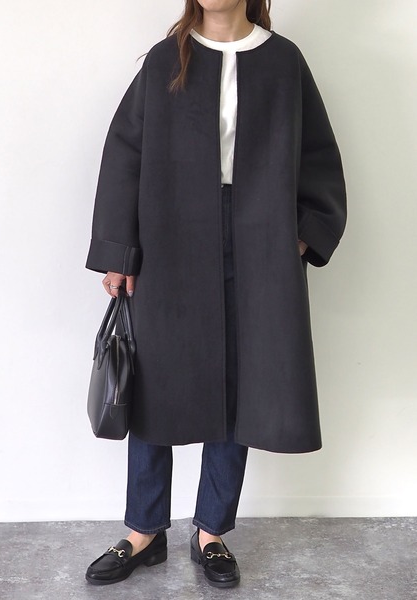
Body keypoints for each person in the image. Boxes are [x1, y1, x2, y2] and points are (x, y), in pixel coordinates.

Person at [84, 0, 347, 589]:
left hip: (258, 241)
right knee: (155, 383)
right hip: (170, 237)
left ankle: (212, 531)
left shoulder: (283, 61)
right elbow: (125, 152)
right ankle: (143, 531)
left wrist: (301, 236)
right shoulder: (165, 59)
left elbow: (319, 155)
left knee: (238, 382)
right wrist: (119, 252)